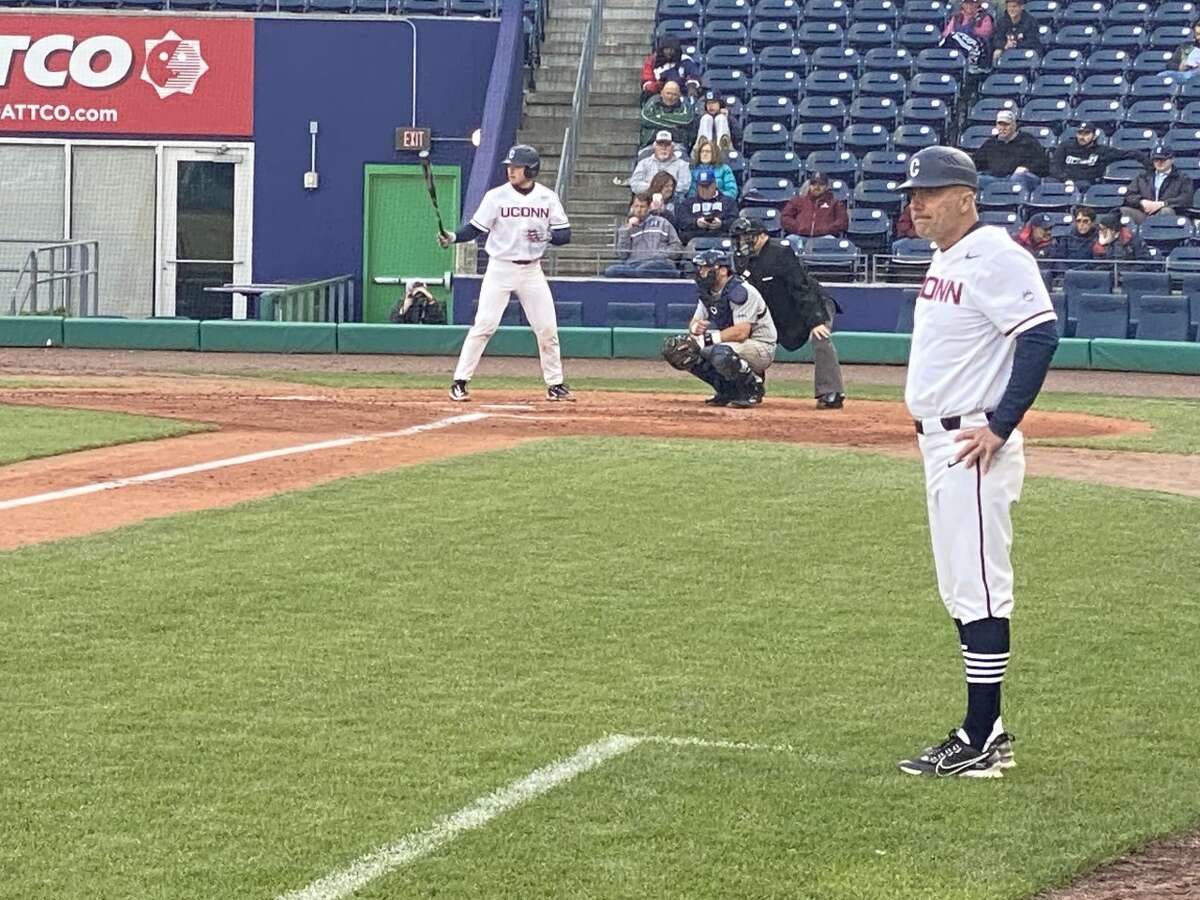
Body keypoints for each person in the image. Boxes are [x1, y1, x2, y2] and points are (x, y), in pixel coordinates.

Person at [894, 145, 1059, 778]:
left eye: (929, 193)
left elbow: (1040, 334)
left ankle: (982, 735)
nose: (917, 203)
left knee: (982, 586)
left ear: (965, 196)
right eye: (913, 194)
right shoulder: (946, 257)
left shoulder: (995, 256)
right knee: (962, 586)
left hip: (970, 441)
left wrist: (1001, 424)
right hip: (941, 441)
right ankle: (983, 731)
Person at [438, 144, 573, 403]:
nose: (511, 170)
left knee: (547, 329)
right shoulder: (496, 197)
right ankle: (459, 381)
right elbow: (474, 229)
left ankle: (555, 384)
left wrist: (548, 235)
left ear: (531, 169)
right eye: (510, 166)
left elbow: (565, 234)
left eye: (516, 167)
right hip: (500, 267)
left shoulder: (546, 197)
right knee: (484, 325)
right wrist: (453, 237)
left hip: (532, 269)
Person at [731, 216, 847, 409]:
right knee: (748, 337)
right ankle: (751, 387)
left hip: (813, 303)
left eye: (746, 237)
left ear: (761, 236)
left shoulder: (780, 253)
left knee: (820, 337)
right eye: (739, 238)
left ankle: (831, 392)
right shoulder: (741, 260)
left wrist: (815, 320)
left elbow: (800, 288)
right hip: (777, 310)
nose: (742, 242)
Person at [661, 248, 775, 408]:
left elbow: (742, 333)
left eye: (706, 268)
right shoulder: (709, 291)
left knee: (719, 353)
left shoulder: (741, 291)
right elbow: (694, 322)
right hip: (733, 344)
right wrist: (695, 329)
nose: (701, 272)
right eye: (700, 268)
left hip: (760, 346)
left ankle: (752, 388)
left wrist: (706, 340)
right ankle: (726, 390)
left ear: (722, 270)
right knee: (680, 350)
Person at [1050, 121, 1145, 192]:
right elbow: (1054, 165)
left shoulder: (1102, 151)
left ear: (1094, 136)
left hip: (1084, 184)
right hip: (1063, 180)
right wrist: (1065, 179)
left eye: (1086, 133)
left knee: (1083, 185)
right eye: (1080, 133)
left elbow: (1126, 154)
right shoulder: (1065, 146)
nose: (1082, 137)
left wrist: (1145, 160)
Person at [604, 193, 683, 278]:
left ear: (649, 208)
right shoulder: (626, 228)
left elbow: (677, 247)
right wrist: (626, 231)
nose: (638, 210)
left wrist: (659, 254)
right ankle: (637, 274)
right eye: (636, 206)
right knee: (610, 271)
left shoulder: (663, 223)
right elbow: (622, 255)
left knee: (644, 269)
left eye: (642, 207)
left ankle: (638, 274)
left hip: (659, 263)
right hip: (634, 264)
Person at [973, 109, 1048, 193]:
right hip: (994, 178)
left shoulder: (1027, 140)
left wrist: (1027, 168)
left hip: (1020, 177)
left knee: (1018, 178)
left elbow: (1042, 162)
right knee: (975, 179)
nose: (1002, 128)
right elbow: (976, 161)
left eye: (1006, 125)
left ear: (1014, 125)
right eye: (1000, 124)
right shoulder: (990, 143)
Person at [1121, 146, 1194, 225]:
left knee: (1166, 211)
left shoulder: (1183, 179)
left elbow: (1186, 199)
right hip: (1144, 214)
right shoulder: (1142, 177)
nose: (1159, 162)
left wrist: (1163, 204)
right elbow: (1129, 195)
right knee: (1123, 211)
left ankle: (1161, 235)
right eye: (1156, 160)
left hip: (1171, 215)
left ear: (1172, 159)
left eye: (1163, 159)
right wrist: (1141, 202)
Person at [677, 170, 738, 245]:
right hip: (694, 240)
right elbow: (682, 221)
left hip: (721, 239)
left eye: (707, 186)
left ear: (715, 184)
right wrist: (695, 223)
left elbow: (734, 221)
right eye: (701, 186)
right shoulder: (687, 203)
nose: (704, 190)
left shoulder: (729, 202)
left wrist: (722, 224)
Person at [781, 172, 850, 238]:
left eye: (821, 184)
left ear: (826, 186)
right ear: (809, 185)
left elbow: (842, 221)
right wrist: (798, 227)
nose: (817, 187)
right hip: (800, 236)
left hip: (824, 237)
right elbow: (785, 217)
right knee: (790, 241)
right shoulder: (797, 200)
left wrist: (826, 229)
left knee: (830, 240)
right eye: (813, 184)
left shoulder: (835, 203)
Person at [630, 130, 692, 196]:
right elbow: (635, 184)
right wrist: (656, 187)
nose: (663, 148)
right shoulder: (643, 163)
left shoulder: (682, 165)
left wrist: (663, 188)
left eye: (667, 145)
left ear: (673, 147)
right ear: (654, 147)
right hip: (648, 200)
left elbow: (685, 186)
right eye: (660, 145)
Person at [640, 37, 701, 102]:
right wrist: (658, 85)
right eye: (666, 49)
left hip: (682, 94)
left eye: (672, 50)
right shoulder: (652, 61)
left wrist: (691, 86)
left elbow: (694, 75)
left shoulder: (685, 60)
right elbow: (647, 81)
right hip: (659, 94)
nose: (669, 52)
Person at [640, 80, 697, 149]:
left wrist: (659, 116)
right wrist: (672, 126)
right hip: (651, 144)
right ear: (662, 93)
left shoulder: (684, 104)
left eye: (674, 94)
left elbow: (687, 120)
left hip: (677, 144)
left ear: (679, 95)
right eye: (668, 93)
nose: (670, 97)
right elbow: (645, 119)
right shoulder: (653, 101)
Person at [992, 0, 1043, 64]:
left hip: (1026, 50)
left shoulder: (1031, 21)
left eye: (1014, 7)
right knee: (997, 52)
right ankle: (997, 71)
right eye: (1009, 7)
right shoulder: (1001, 22)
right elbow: (996, 40)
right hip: (1008, 50)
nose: (1011, 10)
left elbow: (1033, 41)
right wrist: (1005, 45)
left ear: (1021, 7)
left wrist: (1015, 45)